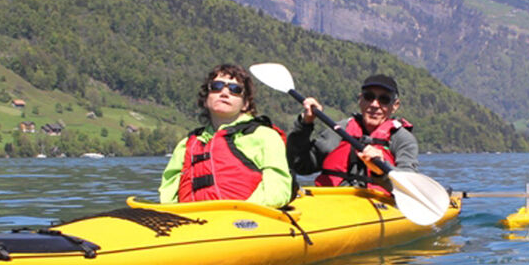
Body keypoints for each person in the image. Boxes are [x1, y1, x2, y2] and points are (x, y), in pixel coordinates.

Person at [160, 64, 293, 208]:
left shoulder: (264, 136)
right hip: (191, 220)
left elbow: (277, 190)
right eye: (216, 86)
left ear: (245, 104)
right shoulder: (186, 145)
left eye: (235, 89)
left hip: (246, 220)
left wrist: (238, 214)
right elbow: (168, 194)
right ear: (206, 99)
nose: (224, 93)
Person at [287, 74, 418, 193]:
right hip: (333, 204)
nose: (374, 104)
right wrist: (304, 124)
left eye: (384, 99)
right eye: (369, 97)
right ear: (360, 99)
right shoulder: (338, 131)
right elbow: (300, 165)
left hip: (380, 206)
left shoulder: (402, 139)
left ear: (395, 105)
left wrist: (381, 172)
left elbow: (409, 185)